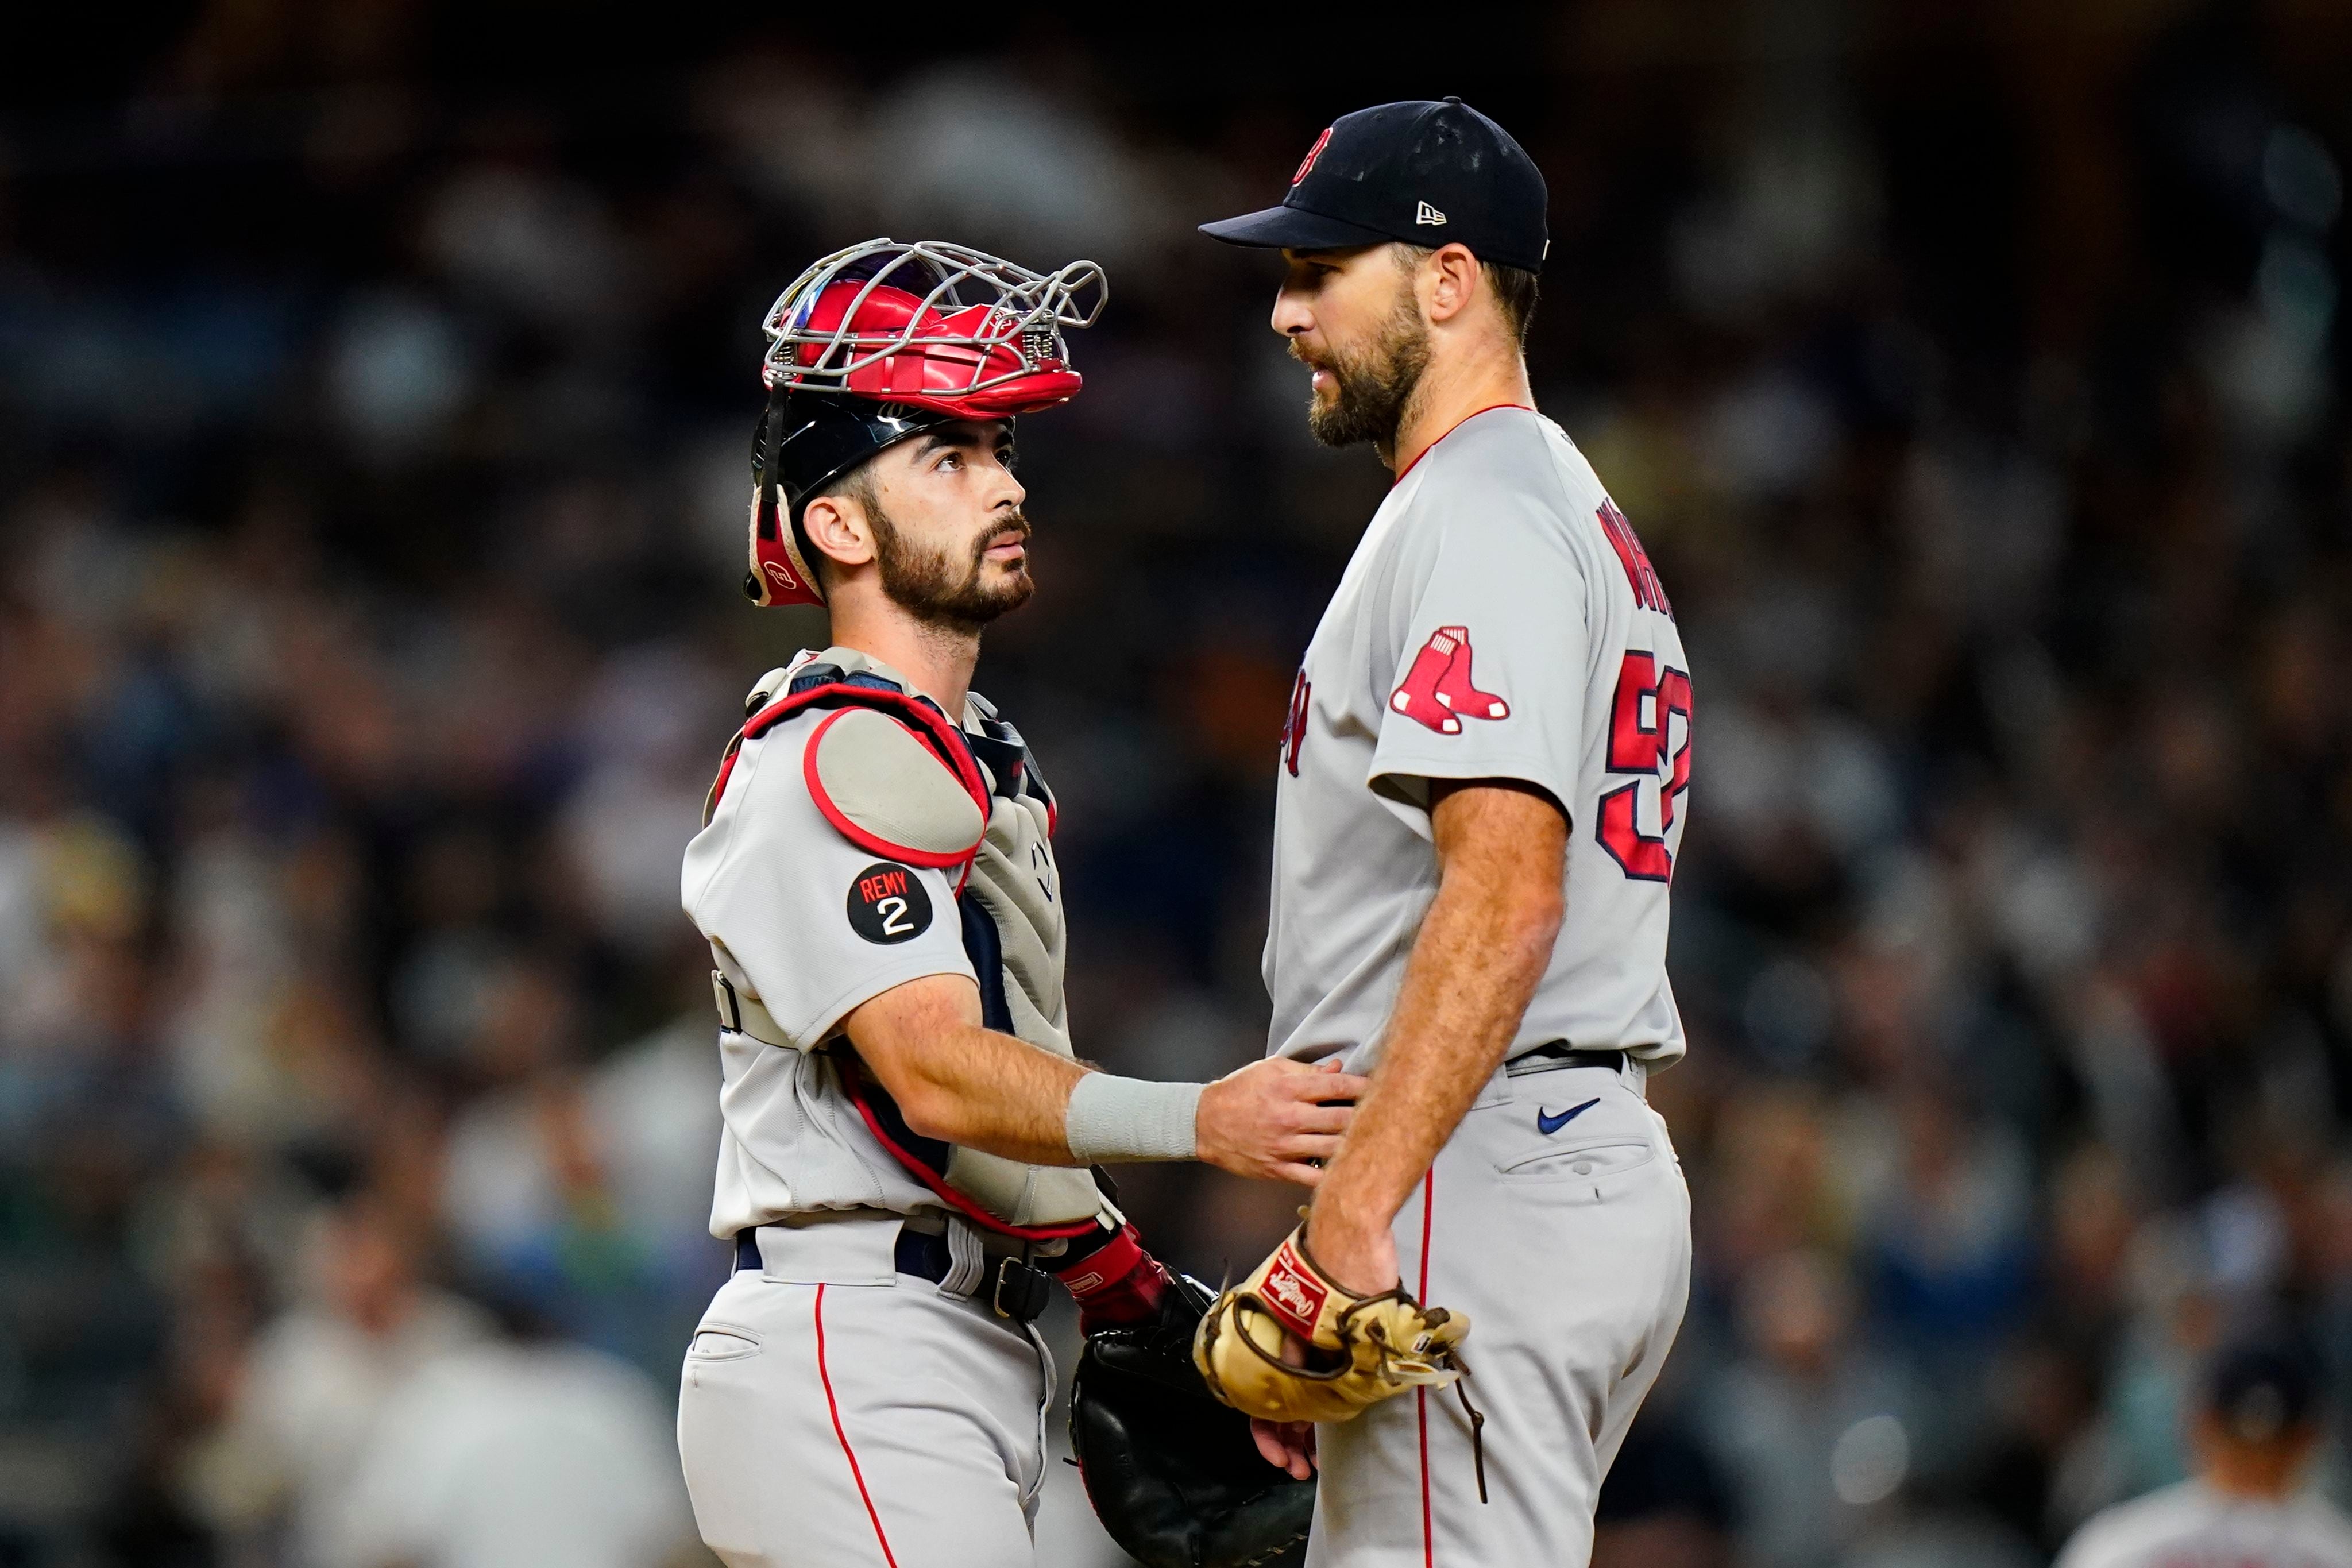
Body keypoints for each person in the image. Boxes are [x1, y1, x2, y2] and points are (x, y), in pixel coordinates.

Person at [673, 239, 1365, 1568]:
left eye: (998, 450)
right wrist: (1202, 1118)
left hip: (958, 1344)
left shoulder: (958, 741)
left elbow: (971, 1117)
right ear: (837, 523)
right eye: (946, 456)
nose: (1003, 483)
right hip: (855, 1340)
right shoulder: (826, 754)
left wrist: (1134, 1294)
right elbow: (929, 1074)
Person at [1197, 99, 1695, 1566]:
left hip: (1477, 1162)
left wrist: (1357, 1207)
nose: (1286, 313)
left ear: (1447, 280)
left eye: (1318, 272)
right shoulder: (1549, 503)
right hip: (1536, 1153)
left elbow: (1506, 890)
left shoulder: (1482, 507)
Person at [2054, 1330, 2352, 1568]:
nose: (2255, 1458)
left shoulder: (2121, 1542)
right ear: (2308, 1438)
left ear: (2199, 1425)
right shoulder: (2339, 1550)